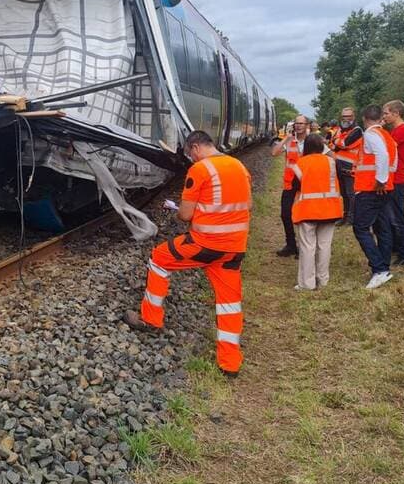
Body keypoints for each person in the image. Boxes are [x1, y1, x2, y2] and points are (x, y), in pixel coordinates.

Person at [124, 130, 251, 377]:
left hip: (204, 244)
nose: (191, 159)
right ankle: (230, 363)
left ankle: (151, 320)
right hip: (235, 247)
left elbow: (185, 215)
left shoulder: (201, 169)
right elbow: (247, 205)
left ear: (195, 148)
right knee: (229, 303)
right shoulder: (238, 166)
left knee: (159, 259)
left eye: (189, 154)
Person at [352, 105, 398, 289]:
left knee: (360, 228)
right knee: (382, 227)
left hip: (371, 189)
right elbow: (392, 160)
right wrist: (385, 181)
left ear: (364, 118)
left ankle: (379, 270)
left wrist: (380, 180)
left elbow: (383, 156)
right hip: (385, 189)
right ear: (380, 118)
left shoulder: (371, 134)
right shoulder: (387, 135)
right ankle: (383, 267)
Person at [290, 134, 344, 290]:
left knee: (308, 247)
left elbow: (296, 186)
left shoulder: (300, 163)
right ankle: (323, 280)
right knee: (325, 246)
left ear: (306, 147)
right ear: (322, 146)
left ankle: (307, 284)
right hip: (330, 210)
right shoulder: (332, 162)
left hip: (308, 211)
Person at [271, 115, 308, 257]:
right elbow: (274, 153)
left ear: (307, 125)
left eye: (301, 123)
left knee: (303, 216)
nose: (298, 126)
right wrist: (285, 139)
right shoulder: (290, 141)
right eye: (296, 123)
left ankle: (304, 248)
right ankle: (291, 244)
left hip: (306, 183)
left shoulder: (312, 141)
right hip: (290, 182)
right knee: (285, 214)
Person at [383, 100, 404, 266]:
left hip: (398, 179)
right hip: (393, 179)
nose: (384, 116)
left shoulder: (403, 130)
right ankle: (396, 248)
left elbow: (386, 148)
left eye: (386, 113)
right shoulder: (396, 130)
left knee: (397, 218)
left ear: (396, 113)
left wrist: (378, 129)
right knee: (391, 216)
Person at [329, 107, 363, 224]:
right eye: (344, 116)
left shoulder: (357, 131)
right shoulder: (340, 130)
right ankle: (344, 215)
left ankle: (352, 217)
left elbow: (344, 143)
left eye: (348, 116)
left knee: (350, 193)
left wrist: (337, 142)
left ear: (353, 117)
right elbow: (333, 143)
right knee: (343, 193)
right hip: (339, 164)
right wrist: (337, 143)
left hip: (351, 167)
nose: (346, 119)